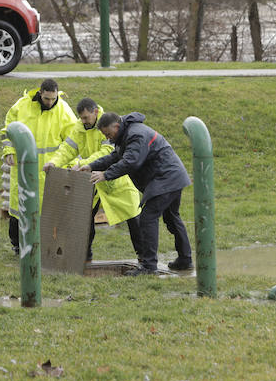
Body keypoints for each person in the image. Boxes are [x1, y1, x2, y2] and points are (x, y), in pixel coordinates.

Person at [80, 112, 193, 275]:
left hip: (166, 178)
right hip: (172, 177)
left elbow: (130, 162)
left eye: (109, 134)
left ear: (117, 127)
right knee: (171, 217)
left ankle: (148, 266)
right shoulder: (126, 134)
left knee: (148, 217)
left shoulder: (136, 135)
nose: (109, 139)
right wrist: (92, 166)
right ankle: (185, 259)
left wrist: (105, 175)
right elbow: (115, 157)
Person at [43, 98, 141, 261]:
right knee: (85, 220)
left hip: (114, 180)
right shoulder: (79, 127)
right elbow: (67, 149)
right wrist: (54, 162)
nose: (83, 121)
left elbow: (107, 152)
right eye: (81, 118)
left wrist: (82, 163)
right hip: (91, 181)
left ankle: (144, 256)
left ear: (95, 112)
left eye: (86, 117)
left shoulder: (107, 125)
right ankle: (84, 256)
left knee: (133, 217)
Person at [1, 79, 78, 255]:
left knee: (48, 211)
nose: (50, 102)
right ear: (40, 93)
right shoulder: (22, 106)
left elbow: (73, 140)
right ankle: (17, 245)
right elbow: (8, 130)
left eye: (53, 99)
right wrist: (9, 151)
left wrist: (71, 165)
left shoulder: (64, 110)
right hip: (23, 168)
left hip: (50, 171)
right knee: (18, 209)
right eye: (46, 98)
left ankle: (43, 247)